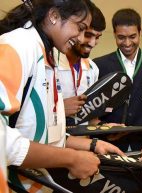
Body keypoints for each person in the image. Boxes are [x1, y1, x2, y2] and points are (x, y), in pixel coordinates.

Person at [0, 0, 123, 190]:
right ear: (54, 16)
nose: (82, 38)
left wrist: (92, 145)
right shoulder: (17, 46)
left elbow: (42, 134)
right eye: (80, 28)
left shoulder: (47, 54)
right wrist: (72, 159)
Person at [93, 8, 142, 152]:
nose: (127, 43)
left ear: (140, 33)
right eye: (121, 37)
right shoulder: (99, 65)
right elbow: (95, 109)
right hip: (109, 143)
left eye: (132, 36)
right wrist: (102, 131)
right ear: (114, 35)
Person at [54, 0, 105, 125]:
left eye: (97, 37)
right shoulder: (49, 61)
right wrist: (60, 108)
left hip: (84, 142)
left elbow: (91, 119)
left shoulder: (92, 68)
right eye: (88, 35)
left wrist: (104, 128)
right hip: (49, 142)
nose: (92, 43)